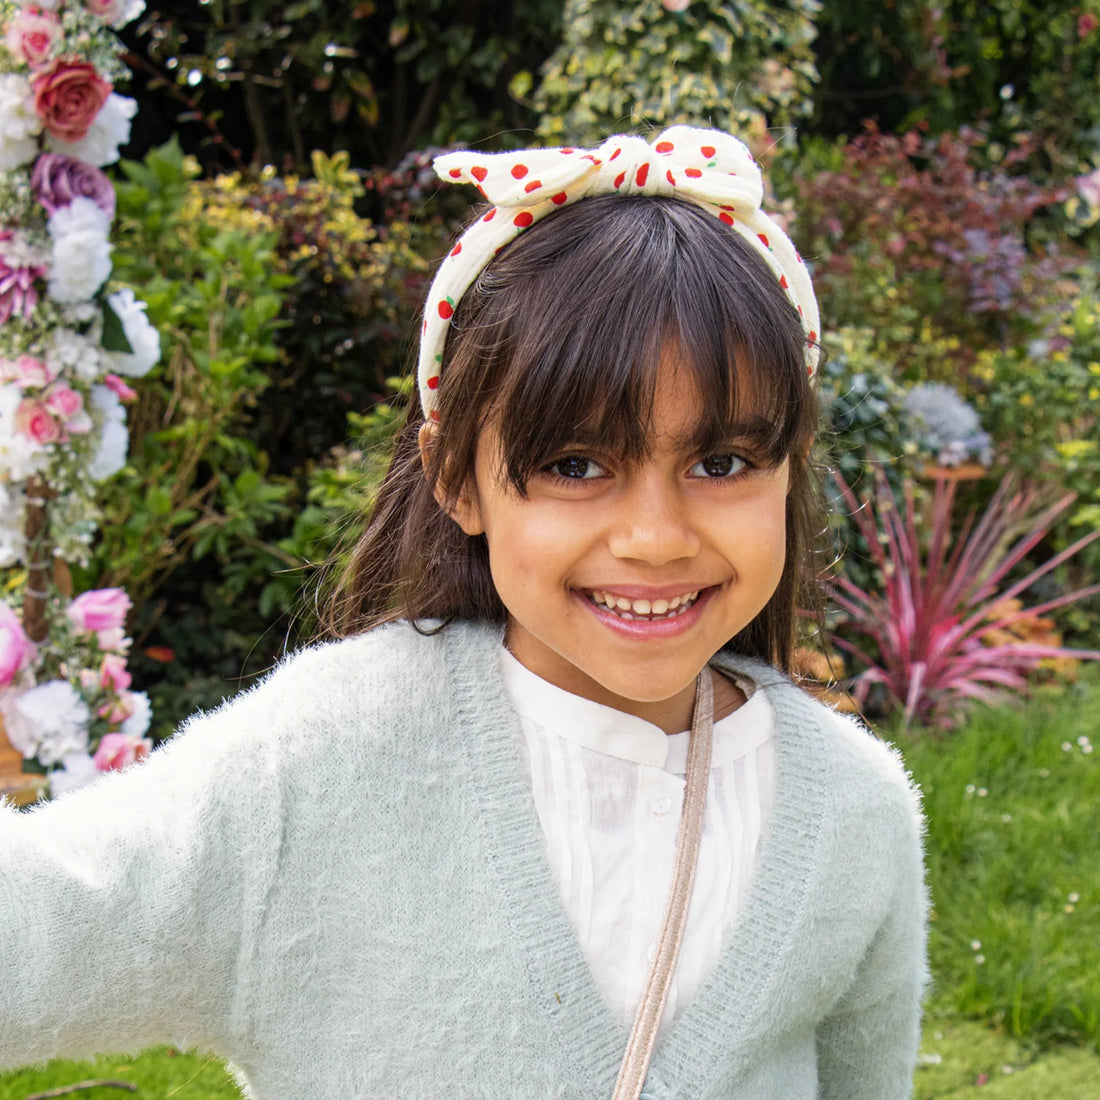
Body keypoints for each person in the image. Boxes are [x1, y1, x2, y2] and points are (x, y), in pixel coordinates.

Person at [0, 126, 927, 1099]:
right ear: (457, 478)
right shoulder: (317, 764)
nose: (655, 536)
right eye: (575, 465)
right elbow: (41, 925)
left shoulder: (852, 810)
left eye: (722, 462)